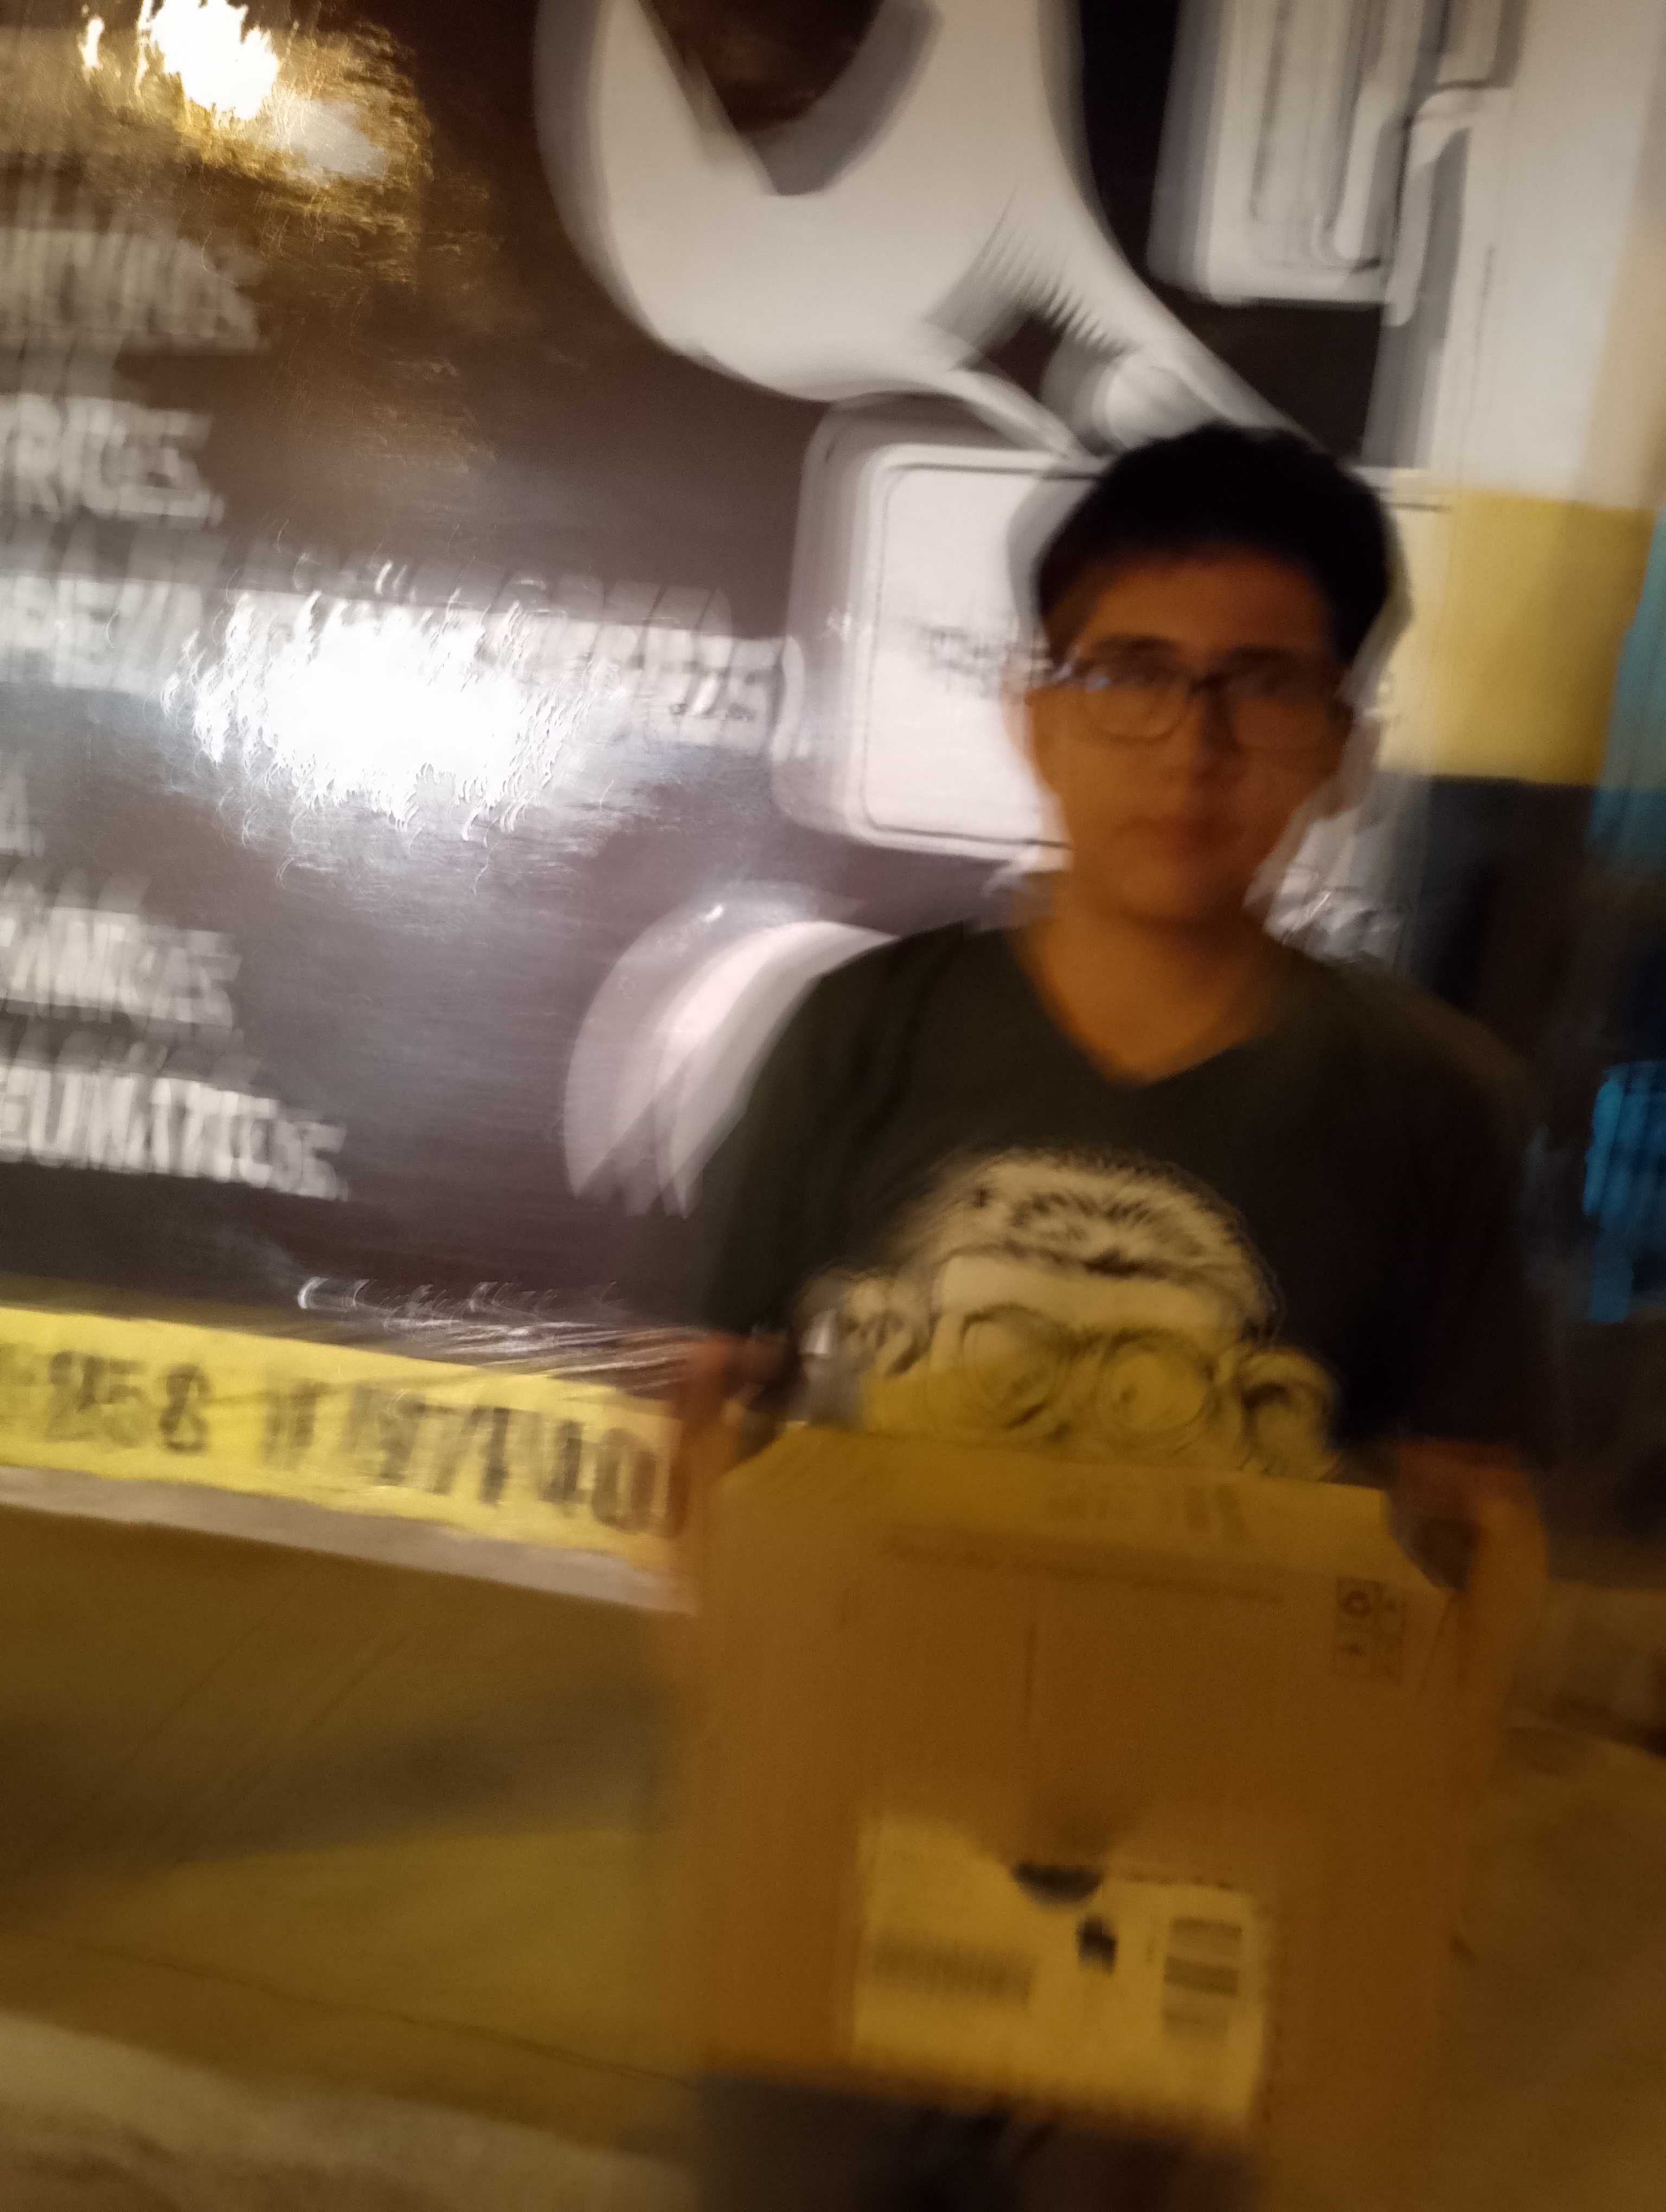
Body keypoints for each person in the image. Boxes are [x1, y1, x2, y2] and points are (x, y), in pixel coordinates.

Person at [676, 423, 1554, 2211]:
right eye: (1133, 673)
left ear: (1340, 747)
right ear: (1040, 710)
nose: (1191, 745)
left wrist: (1414, 1828)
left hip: (1208, 1857)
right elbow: (708, 1409)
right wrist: (743, 1723)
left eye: (1261, 686)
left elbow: (1473, 1510)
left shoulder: (1428, 1102)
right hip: (857, 1813)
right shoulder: (864, 1033)